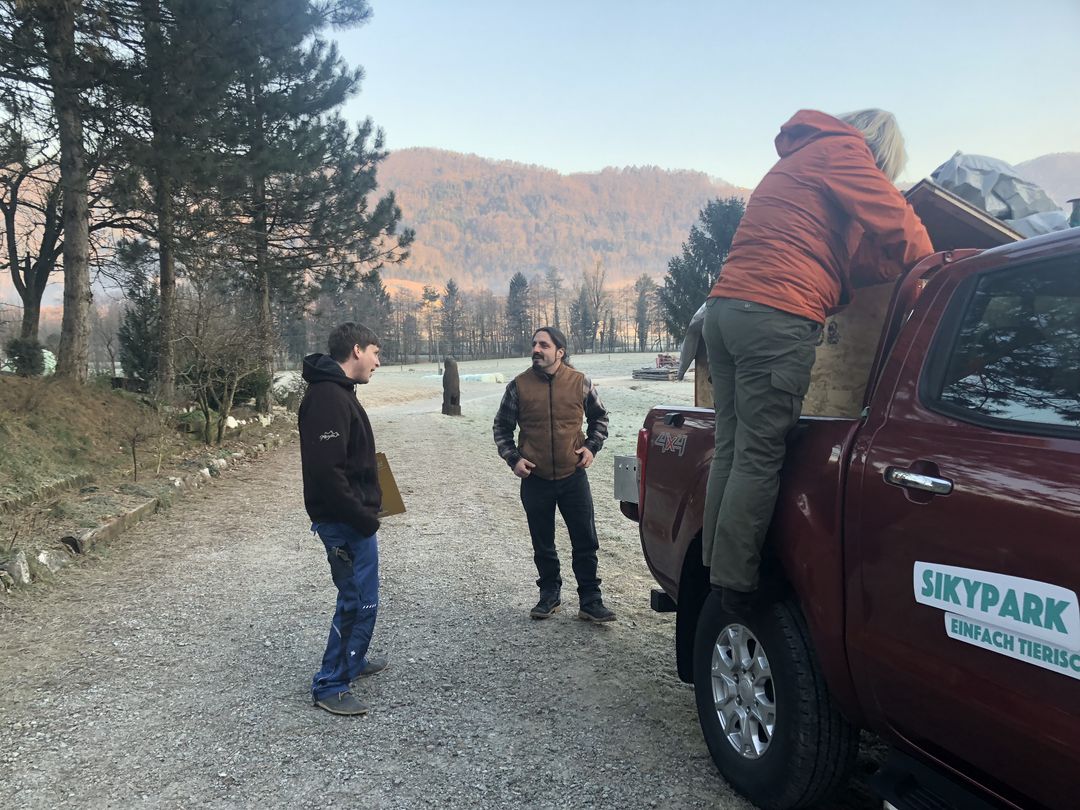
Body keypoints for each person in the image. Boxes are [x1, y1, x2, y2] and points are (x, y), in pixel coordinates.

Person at [702, 108, 934, 615]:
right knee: (760, 452)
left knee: (732, 445)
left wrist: (884, 264)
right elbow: (900, 225)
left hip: (724, 312)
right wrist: (935, 267)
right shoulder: (845, 152)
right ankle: (739, 584)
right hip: (774, 315)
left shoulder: (804, 160)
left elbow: (848, 263)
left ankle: (715, 566)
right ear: (880, 152)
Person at [493, 327, 616, 623]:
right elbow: (501, 428)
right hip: (535, 478)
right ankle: (549, 595)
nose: (536, 349)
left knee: (585, 540)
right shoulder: (518, 386)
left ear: (559, 352)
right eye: (534, 344)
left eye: (543, 345)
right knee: (542, 541)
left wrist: (591, 448)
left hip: (573, 476)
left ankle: (590, 600)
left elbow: (600, 418)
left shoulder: (580, 382)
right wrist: (514, 459)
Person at [298, 322, 389, 716]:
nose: (378, 362)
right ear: (356, 350)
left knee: (364, 599)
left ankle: (353, 659)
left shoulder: (339, 393)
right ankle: (330, 682)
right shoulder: (326, 398)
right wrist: (362, 517)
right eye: (375, 352)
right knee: (356, 602)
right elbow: (326, 472)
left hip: (354, 519)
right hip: (345, 523)